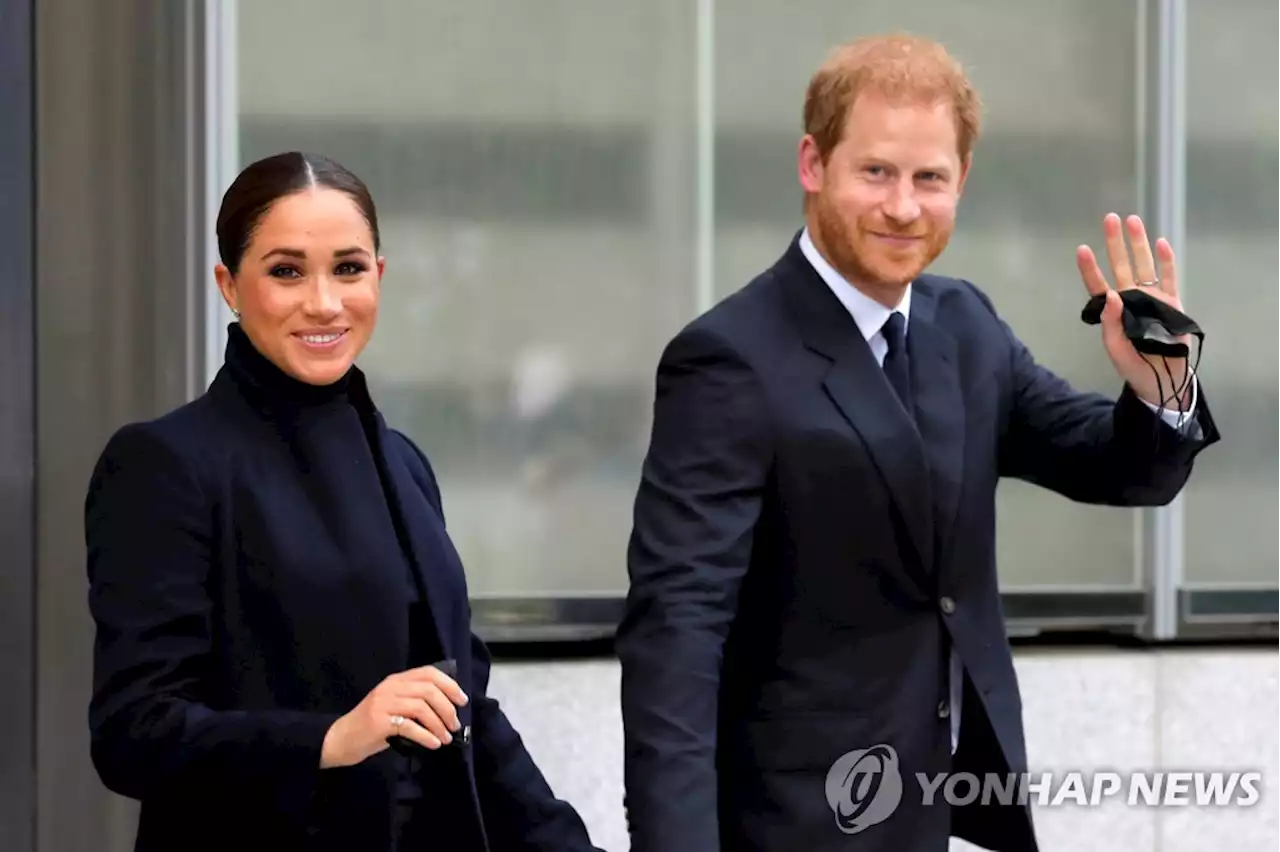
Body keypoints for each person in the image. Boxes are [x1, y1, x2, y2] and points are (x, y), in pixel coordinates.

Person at [616, 33, 1220, 852]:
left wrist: (1161, 385)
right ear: (812, 163)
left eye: (929, 178)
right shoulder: (729, 358)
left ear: (961, 180)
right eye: (876, 172)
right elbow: (677, 634)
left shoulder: (964, 325)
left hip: (941, 811)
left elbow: (1118, 468)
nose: (904, 206)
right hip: (793, 825)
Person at [84, 151, 604, 852]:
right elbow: (134, 732)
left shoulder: (405, 465)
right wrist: (332, 738)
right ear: (229, 285)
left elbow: (464, 709)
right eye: (286, 271)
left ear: (379, 278)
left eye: (349, 268)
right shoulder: (166, 463)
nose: (324, 302)